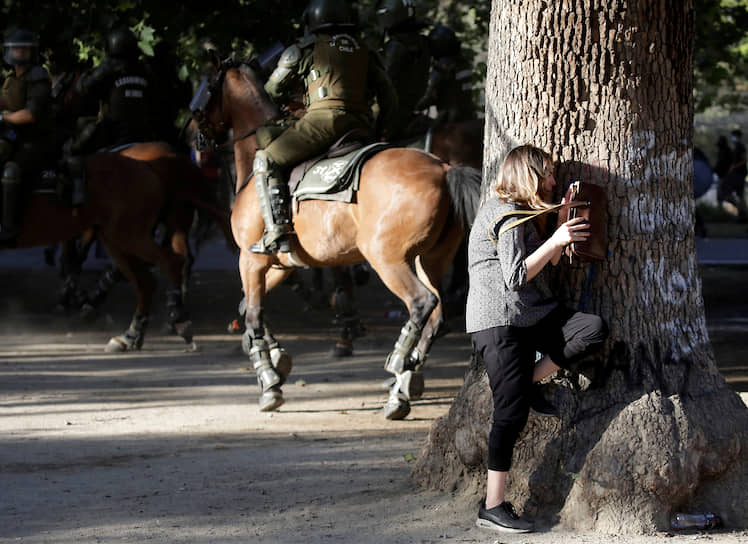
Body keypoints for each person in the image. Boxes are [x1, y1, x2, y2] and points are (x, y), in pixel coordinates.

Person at [466, 145, 608, 533]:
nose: (552, 180)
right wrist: (556, 237)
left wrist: (561, 223)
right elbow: (514, 277)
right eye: (546, 174)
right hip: (499, 322)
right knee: (509, 415)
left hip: (531, 315)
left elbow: (547, 263)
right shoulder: (506, 214)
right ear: (529, 175)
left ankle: (522, 383)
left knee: (591, 329)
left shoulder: (527, 216)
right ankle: (493, 506)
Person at [250, 0, 397, 254]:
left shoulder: (304, 48)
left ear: (313, 21)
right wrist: (382, 129)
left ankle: (277, 232)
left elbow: (272, 90)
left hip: (322, 123)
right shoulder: (366, 50)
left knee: (265, 159)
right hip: (361, 125)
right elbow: (390, 98)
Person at [0, 28, 55, 240]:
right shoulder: (11, 78)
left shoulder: (37, 75)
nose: (19, 53)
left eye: (24, 49)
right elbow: (7, 102)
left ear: (32, 52)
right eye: (16, 49)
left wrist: (3, 118)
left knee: (11, 170)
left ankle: (9, 228)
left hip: (35, 141)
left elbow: (31, 115)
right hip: (13, 137)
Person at [375, 0, 430, 140]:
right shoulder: (422, 42)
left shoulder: (395, 46)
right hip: (411, 108)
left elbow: (383, 83)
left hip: (392, 116)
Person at [414, 24, 476, 126]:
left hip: (449, 121)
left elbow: (429, 95)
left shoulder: (443, 65)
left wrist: (413, 108)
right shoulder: (464, 63)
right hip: (469, 116)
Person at [724, 129, 747, 223]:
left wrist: (734, 167)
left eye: (734, 136)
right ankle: (742, 214)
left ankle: (743, 215)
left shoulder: (741, 147)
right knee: (737, 196)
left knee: (738, 195)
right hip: (736, 173)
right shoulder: (736, 147)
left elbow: (744, 160)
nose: (733, 138)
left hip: (739, 174)